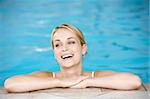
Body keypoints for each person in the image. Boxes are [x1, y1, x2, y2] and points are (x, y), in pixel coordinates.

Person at [4, 23, 141, 93]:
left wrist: (87, 82)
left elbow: (134, 81)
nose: (64, 48)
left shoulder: (95, 76)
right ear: (54, 52)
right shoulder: (47, 77)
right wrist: (60, 83)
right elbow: (11, 84)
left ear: (83, 49)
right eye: (58, 44)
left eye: (71, 42)